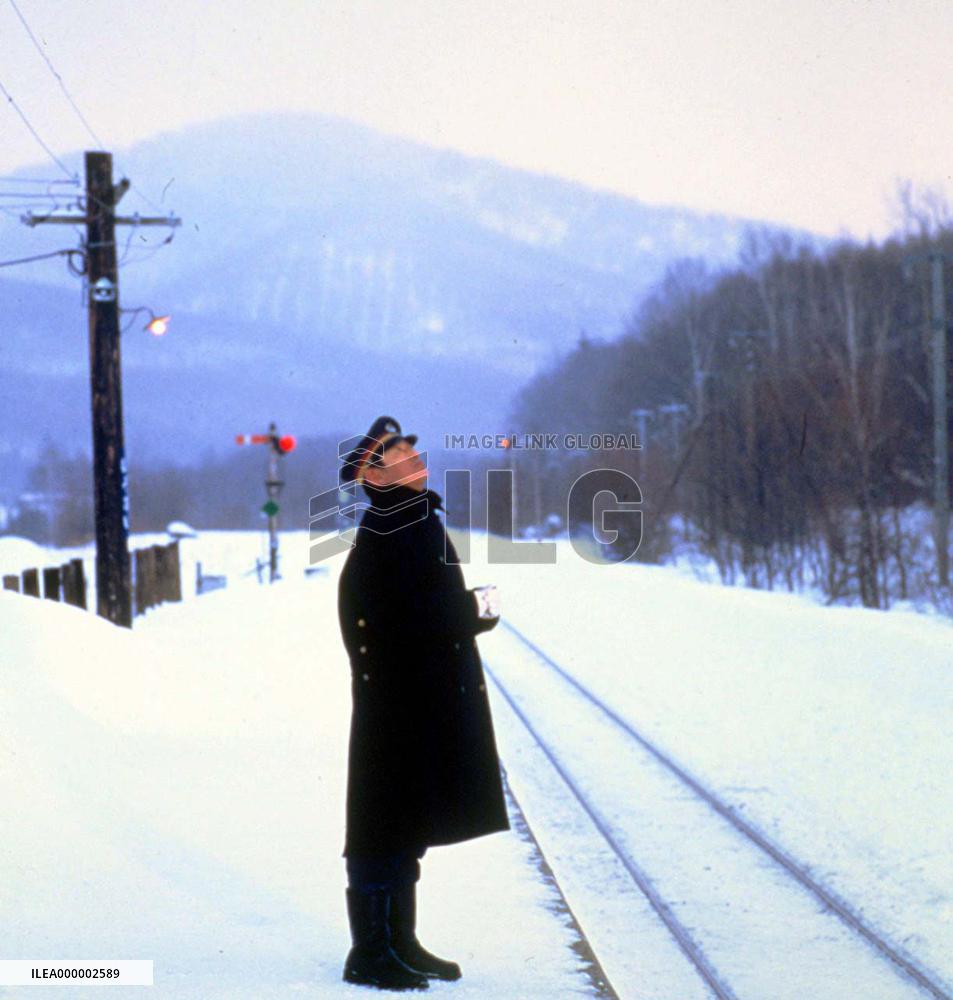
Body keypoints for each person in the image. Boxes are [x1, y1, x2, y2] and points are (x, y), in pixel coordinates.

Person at [336, 415, 510, 991]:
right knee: (382, 824)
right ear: (375, 476)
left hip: (412, 696)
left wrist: (463, 611)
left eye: (413, 450)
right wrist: (476, 610)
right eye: (400, 456)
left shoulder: (411, 521)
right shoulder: (394, 529)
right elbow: (401, 617)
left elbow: (416, 608)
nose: (415, 458)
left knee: (401, 822)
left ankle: (399, 942)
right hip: (398, 700)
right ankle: (371, 953)